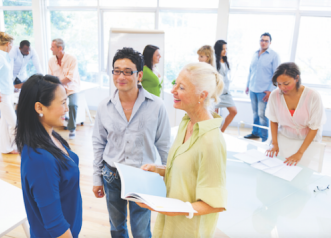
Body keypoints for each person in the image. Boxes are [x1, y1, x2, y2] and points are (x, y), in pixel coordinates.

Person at [138, 62, 227, 238]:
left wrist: (172, 208)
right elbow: (188, 173)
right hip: (168, 224)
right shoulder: (186, 123)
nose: (173, 90)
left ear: (202, 95)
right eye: (175, 84)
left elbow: (215, 203)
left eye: (182, 87)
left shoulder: (211, 141)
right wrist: (159, 169)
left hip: (188, 231)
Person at [92, 47, 171, 238]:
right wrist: (96, 178)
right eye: (117, 70)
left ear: (140, 75)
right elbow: (98, 144)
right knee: (117, 226)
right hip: (112, 175)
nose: (121, 76)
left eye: (128, 71)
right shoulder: (104, 106)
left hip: (142, 175)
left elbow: (164, 145)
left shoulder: (157, 106)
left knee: (141, 229)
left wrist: (168, 178)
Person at [16, 74, 82, 238]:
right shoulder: (40, 159)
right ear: (39, 108)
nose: (66, 108)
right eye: (62, 103)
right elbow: (55, 225)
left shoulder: (50, 137)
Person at [265, 62, 326, 166]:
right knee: (278, 168)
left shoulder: (313, 96)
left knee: (302, 171)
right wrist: (274, 144)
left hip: (308, 142)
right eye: (278, 84)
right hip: (284, 138)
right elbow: (273, 120)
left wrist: (300, 153)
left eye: (286, 83)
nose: (282, 87)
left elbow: (314, 127)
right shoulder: (275, 95)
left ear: (297, 78)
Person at [245, 32, 281, 142]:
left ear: (270, 42)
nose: (263, 42)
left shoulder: (274, 55)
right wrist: (247, 85)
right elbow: (251, 71)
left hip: (264, 91)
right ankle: (255, 133)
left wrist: (271, 90)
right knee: (255, 113)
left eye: (266, 40)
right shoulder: (255, 53)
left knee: (262, 115)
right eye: (262, 40)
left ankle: (265, 138)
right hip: (253, 89)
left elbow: (277, 74)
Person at [48, 38, 80, 140]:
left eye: (53, 47)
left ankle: (71, 128)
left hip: (71, 88)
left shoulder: (72, 59)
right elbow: (50, 76)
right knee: (50, 103)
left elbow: (70, 78)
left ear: (60, 48)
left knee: (73, 105)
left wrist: (57, 82)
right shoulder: (51, 61)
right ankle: (52, 126)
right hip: (58, 88)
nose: (50, 49)